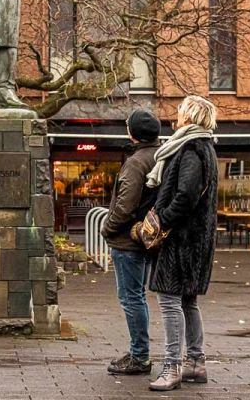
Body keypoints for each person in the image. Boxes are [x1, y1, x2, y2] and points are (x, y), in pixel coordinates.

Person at [144, 96, 218, 392]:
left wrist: (164, 219)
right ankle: (196, 362)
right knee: (188, 299)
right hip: (197, 237)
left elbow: (185, 195)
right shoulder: (205, 147)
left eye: (180, 111)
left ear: (190, 116)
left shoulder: (190, 149)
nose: (177, 116)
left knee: (169, 298)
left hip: (182, 239)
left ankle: (172, 366)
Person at [101, 109, 161, 376]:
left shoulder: (136, 162)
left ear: (133, 133)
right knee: (137, 296)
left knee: (131, 298)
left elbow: (125, 205)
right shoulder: (159, 156)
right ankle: (139, 352)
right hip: (146, 238)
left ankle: (140, 356)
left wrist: (107, 228)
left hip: (128, 241)